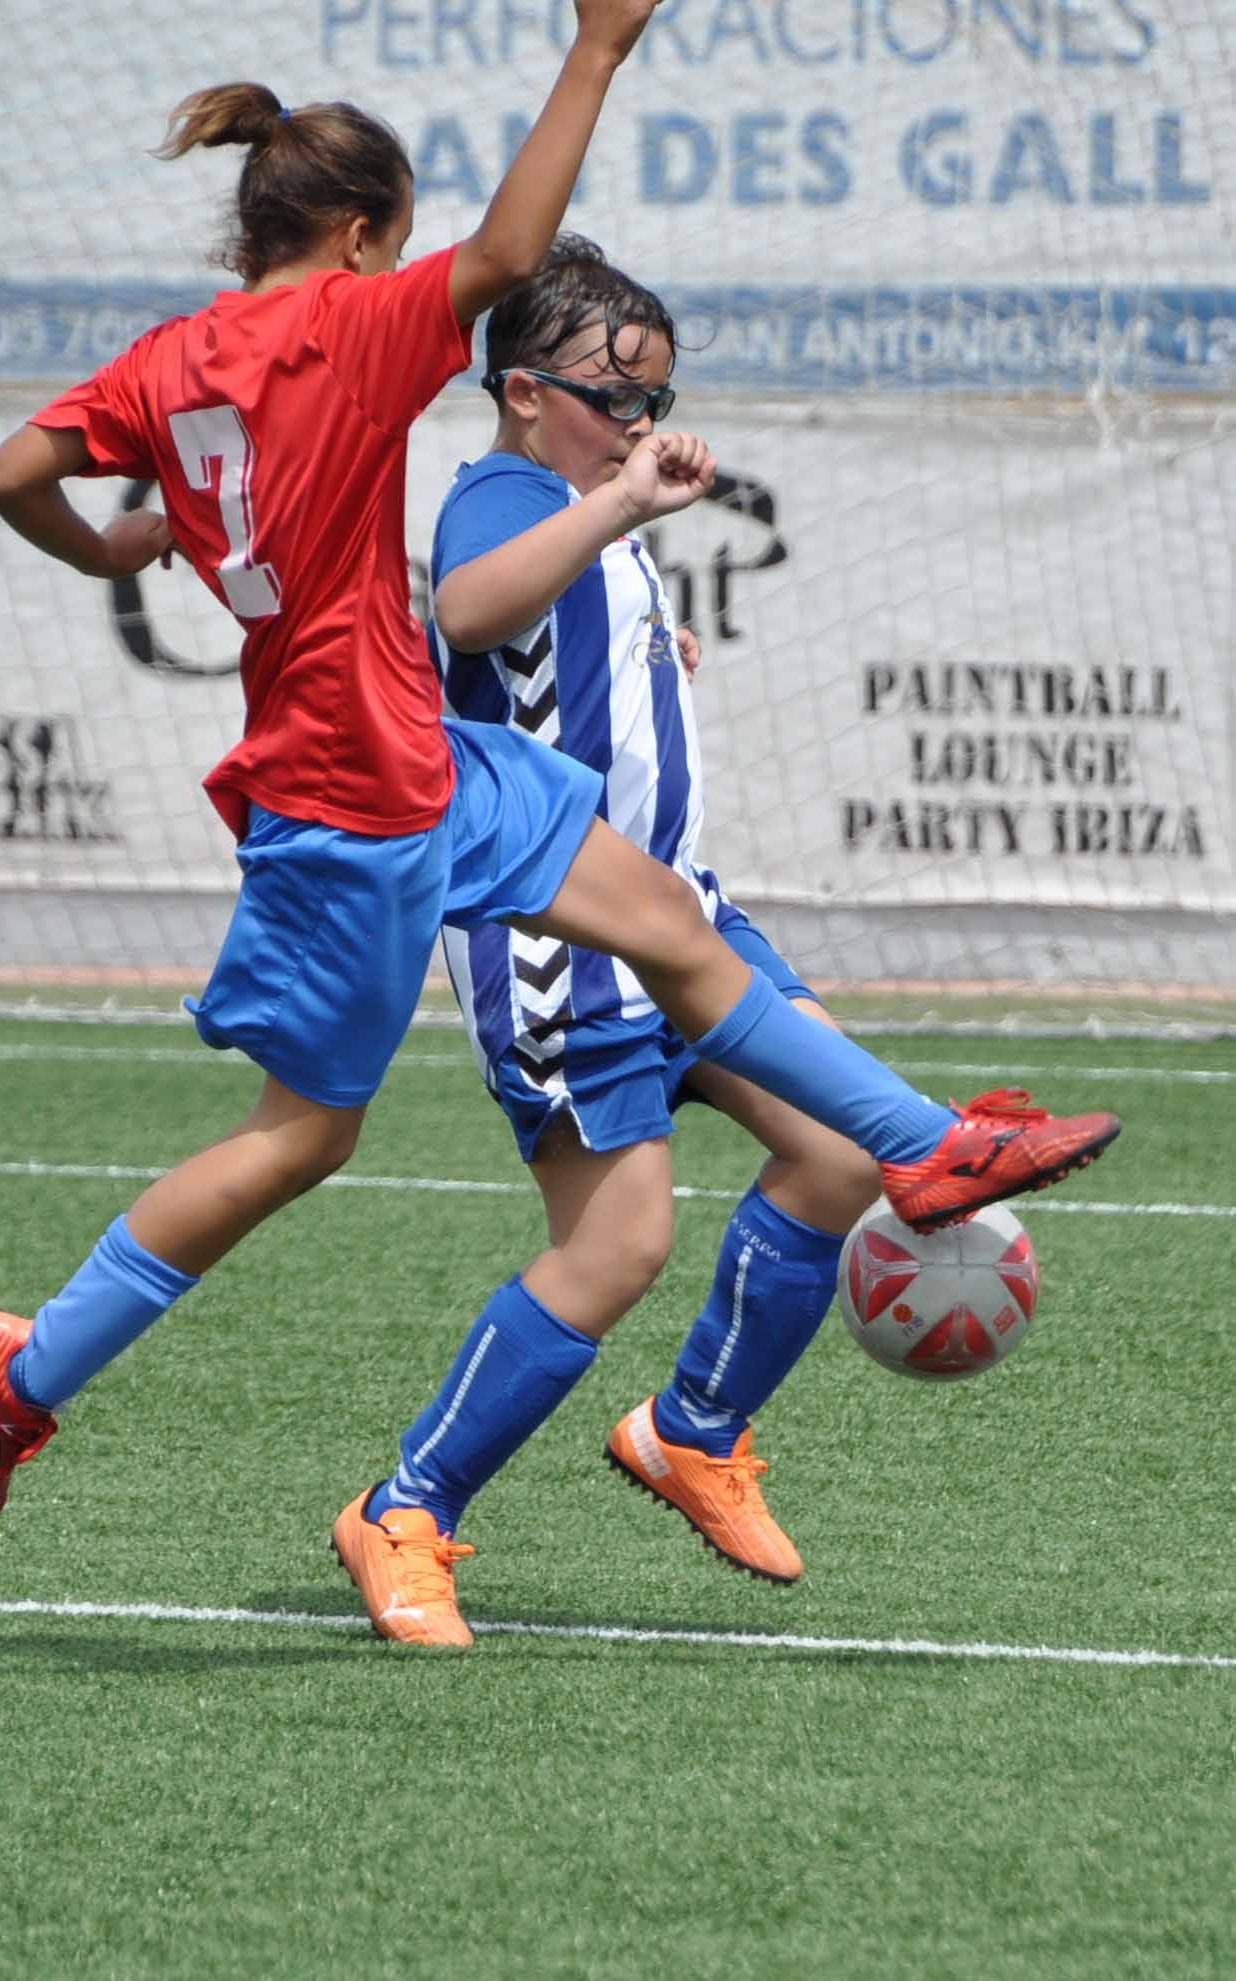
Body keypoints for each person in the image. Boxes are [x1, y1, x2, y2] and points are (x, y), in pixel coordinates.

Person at [0, 25, 1119, 1578]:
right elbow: (507, 253)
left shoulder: (168, 362)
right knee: (303, 1138)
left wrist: (114, 547)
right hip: (350, 789)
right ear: (362, 236)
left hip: (420, 759)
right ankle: (24, 1377)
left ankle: (922, 1148)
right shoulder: (350, 333)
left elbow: (8, 473)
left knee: (677, 931)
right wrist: (593, 47)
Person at [331, 240, 1121, 1648]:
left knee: (829, 1155)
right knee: (617, 1243)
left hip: (683, 911)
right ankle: (404, 1505)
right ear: (521, 395)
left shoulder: (585, 511)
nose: (639, 426)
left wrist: (641, 632)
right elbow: (466, 607)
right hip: (556, 937)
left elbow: (549, 644)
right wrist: (622, 506)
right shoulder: (505, 491)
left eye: (654, 398)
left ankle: (693, 1427)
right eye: (610, 400)